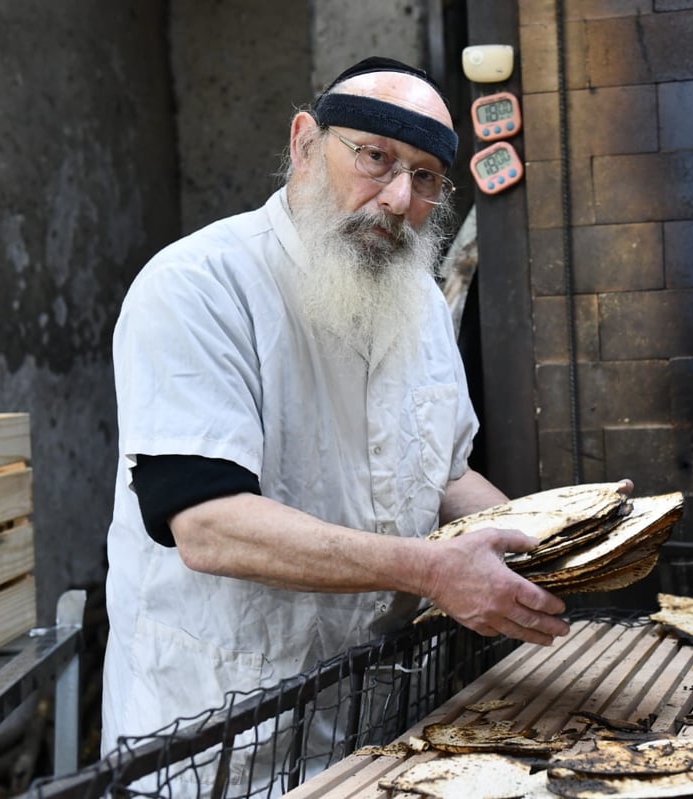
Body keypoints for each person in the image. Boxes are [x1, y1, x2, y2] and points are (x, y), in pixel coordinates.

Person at [100, 56, 625, 795]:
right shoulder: (197, 286)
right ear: (305, 143)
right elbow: (207, 524)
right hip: (219, 738)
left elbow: (444, 474)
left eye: (426, 178)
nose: (398, 197)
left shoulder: (415, 301)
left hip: (376, 727)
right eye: (375, 158)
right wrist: (434, 572)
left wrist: (564, 550)